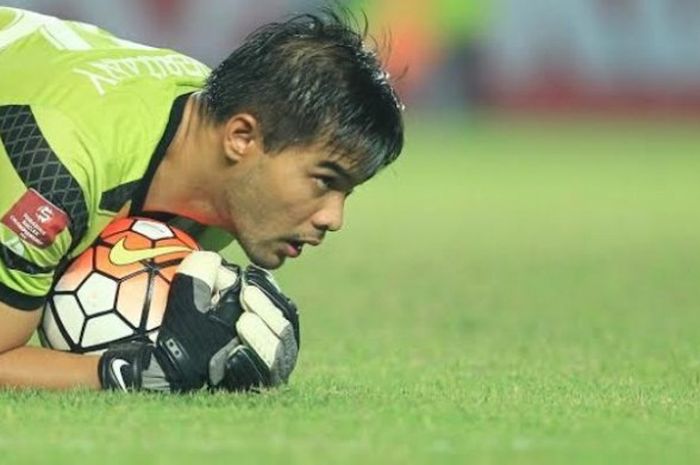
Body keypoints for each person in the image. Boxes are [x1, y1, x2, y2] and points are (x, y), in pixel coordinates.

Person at [0, 6, 404, 392]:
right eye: (324, 180)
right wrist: (138, 373)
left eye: (346, 192)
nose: (334, 218)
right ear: (241, 138)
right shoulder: (57, 175)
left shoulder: (213, 147)